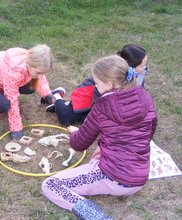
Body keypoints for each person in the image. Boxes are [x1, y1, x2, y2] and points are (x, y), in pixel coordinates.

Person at [41, 55, 157, 219]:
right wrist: (104, 147)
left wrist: (74, 133)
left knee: (51, 185)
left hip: (115, 177)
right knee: (96, 161)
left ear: (109, 85)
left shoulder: (103, 105)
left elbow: (79, 144)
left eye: (97, 83)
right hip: (140, 175)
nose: (96, 86)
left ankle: (97, 216)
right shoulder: (144, 96)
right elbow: (148, 132)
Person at [46, 44, 148, 126]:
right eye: (142, 66)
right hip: (89, 93)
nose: (145, 68)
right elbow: (99, 105)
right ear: (128, 66)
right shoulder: (105, 82)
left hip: (103, 101)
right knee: (66, 119)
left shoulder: (139, 73)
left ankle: (68, 106)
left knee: (91, 121)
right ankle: (57, 96)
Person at [0, 44, 59, 139]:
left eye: (42, 73)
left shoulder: (32, 61)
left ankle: (0, 94)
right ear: (28, 63)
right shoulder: (13, 72)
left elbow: (41, 79)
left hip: (2, 79)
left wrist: (47, 94)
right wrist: (16, 128)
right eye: (38, 73)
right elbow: (12, 99)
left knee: (30, 87)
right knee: (5, 105)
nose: (40, 76)